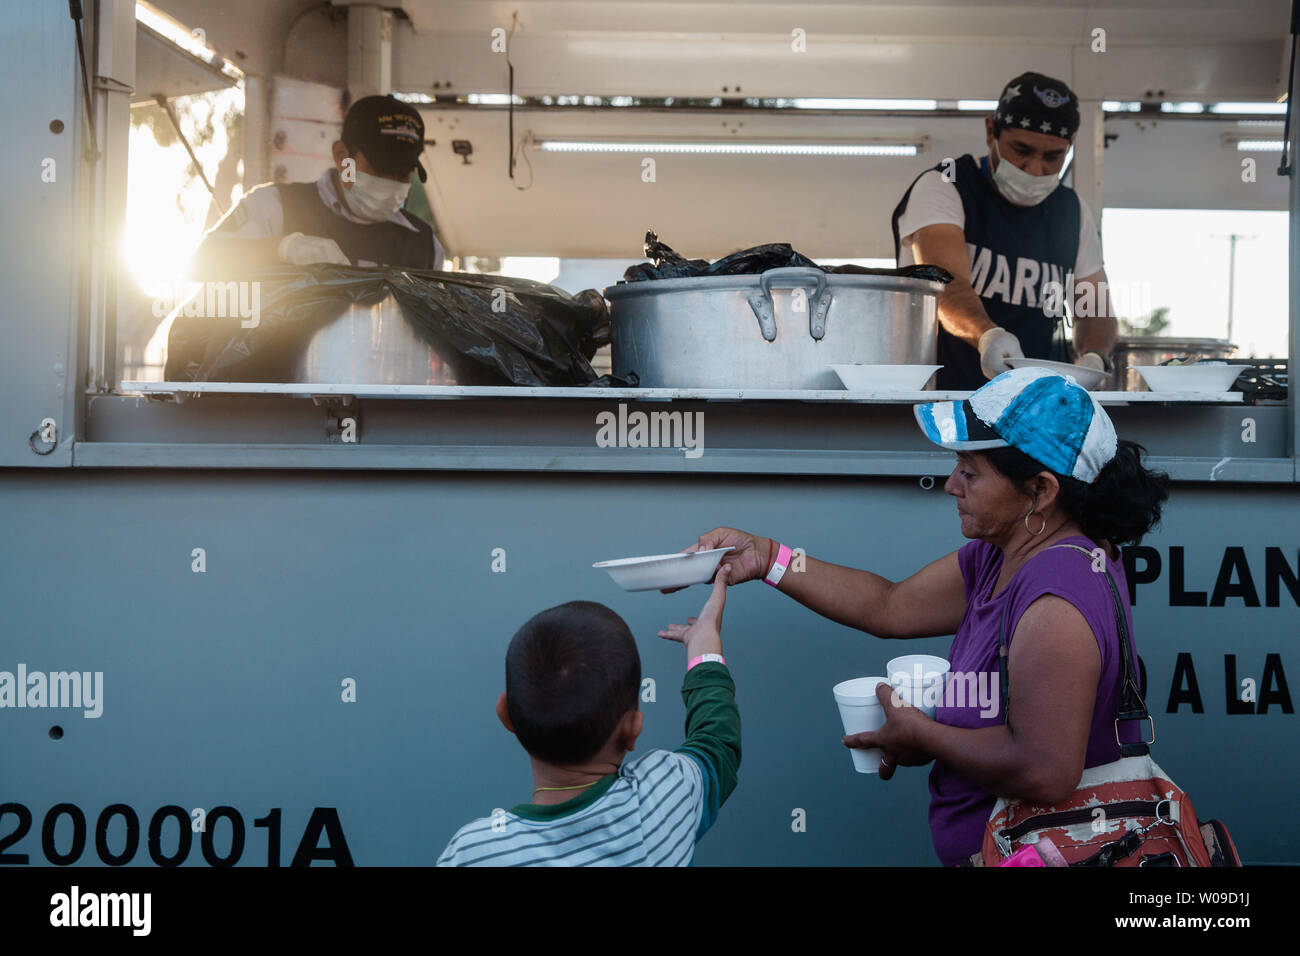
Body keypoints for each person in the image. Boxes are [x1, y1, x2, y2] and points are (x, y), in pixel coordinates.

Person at [670, 367, 1169, 865]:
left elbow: (1044, 771)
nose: (952, 484)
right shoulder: (1003, 554)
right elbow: (888, 604)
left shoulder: (1056, 597)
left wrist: (922, 733)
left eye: (970, 472)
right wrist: (768, 556)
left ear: (1040, 491)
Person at [437, 569, 741, 866]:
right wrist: (704, 648)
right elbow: (716, 742)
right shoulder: (661, 800)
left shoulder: (472, 853)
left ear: (506, 715)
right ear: (632, 729)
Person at [891, 72, 1117, 390]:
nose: (1035, 169)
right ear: (990, 131)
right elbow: (944, 287)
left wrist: (1095, 356)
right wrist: (988, 336)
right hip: (944, 400)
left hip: (1035, 406)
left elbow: (1094, 306)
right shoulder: (946, 186)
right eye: (1021, 150)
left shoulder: (1072, 211)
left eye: (1053, 157)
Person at [190, 94, 444, 275]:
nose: (390, 183)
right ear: (342, 156)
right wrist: (283, 248)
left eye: (402, 174)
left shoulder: (424, 246)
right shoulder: (276, 206)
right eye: (379, 169)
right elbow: (203, 262)